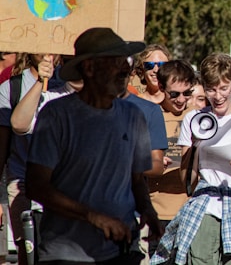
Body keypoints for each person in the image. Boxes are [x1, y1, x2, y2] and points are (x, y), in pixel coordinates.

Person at [25, 27, 163, 264]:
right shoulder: (57, 115)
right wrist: (92, 216)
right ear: (89, 68)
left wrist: (147, 209)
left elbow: (136, 179)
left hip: (120, 251)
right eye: (115, 61)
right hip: (67, 254)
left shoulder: (133, 116)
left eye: (126, 61)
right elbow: (36, 186)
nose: (124, 69)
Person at [151, 53, 231, 264]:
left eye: (223, 88)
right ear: (204, 87)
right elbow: (188, 181)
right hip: (205, 203)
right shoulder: (194, 119)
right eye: (211, 89)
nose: (218, 96)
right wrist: (195, 147)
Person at [0, 52, 58, 265]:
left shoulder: (67, 84)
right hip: (23, 184)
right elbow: (7, 140)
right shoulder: (11, 88)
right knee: (29, 253)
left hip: (61, 185)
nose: (47, 53)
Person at [145, 59, 197, 256]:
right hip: (159, 213)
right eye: (174, 94)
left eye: (187, 93)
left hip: (192, 211)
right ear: (161, 87)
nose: (181, 99)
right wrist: (153, 162)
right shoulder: (150, 114)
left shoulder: (200, 117)